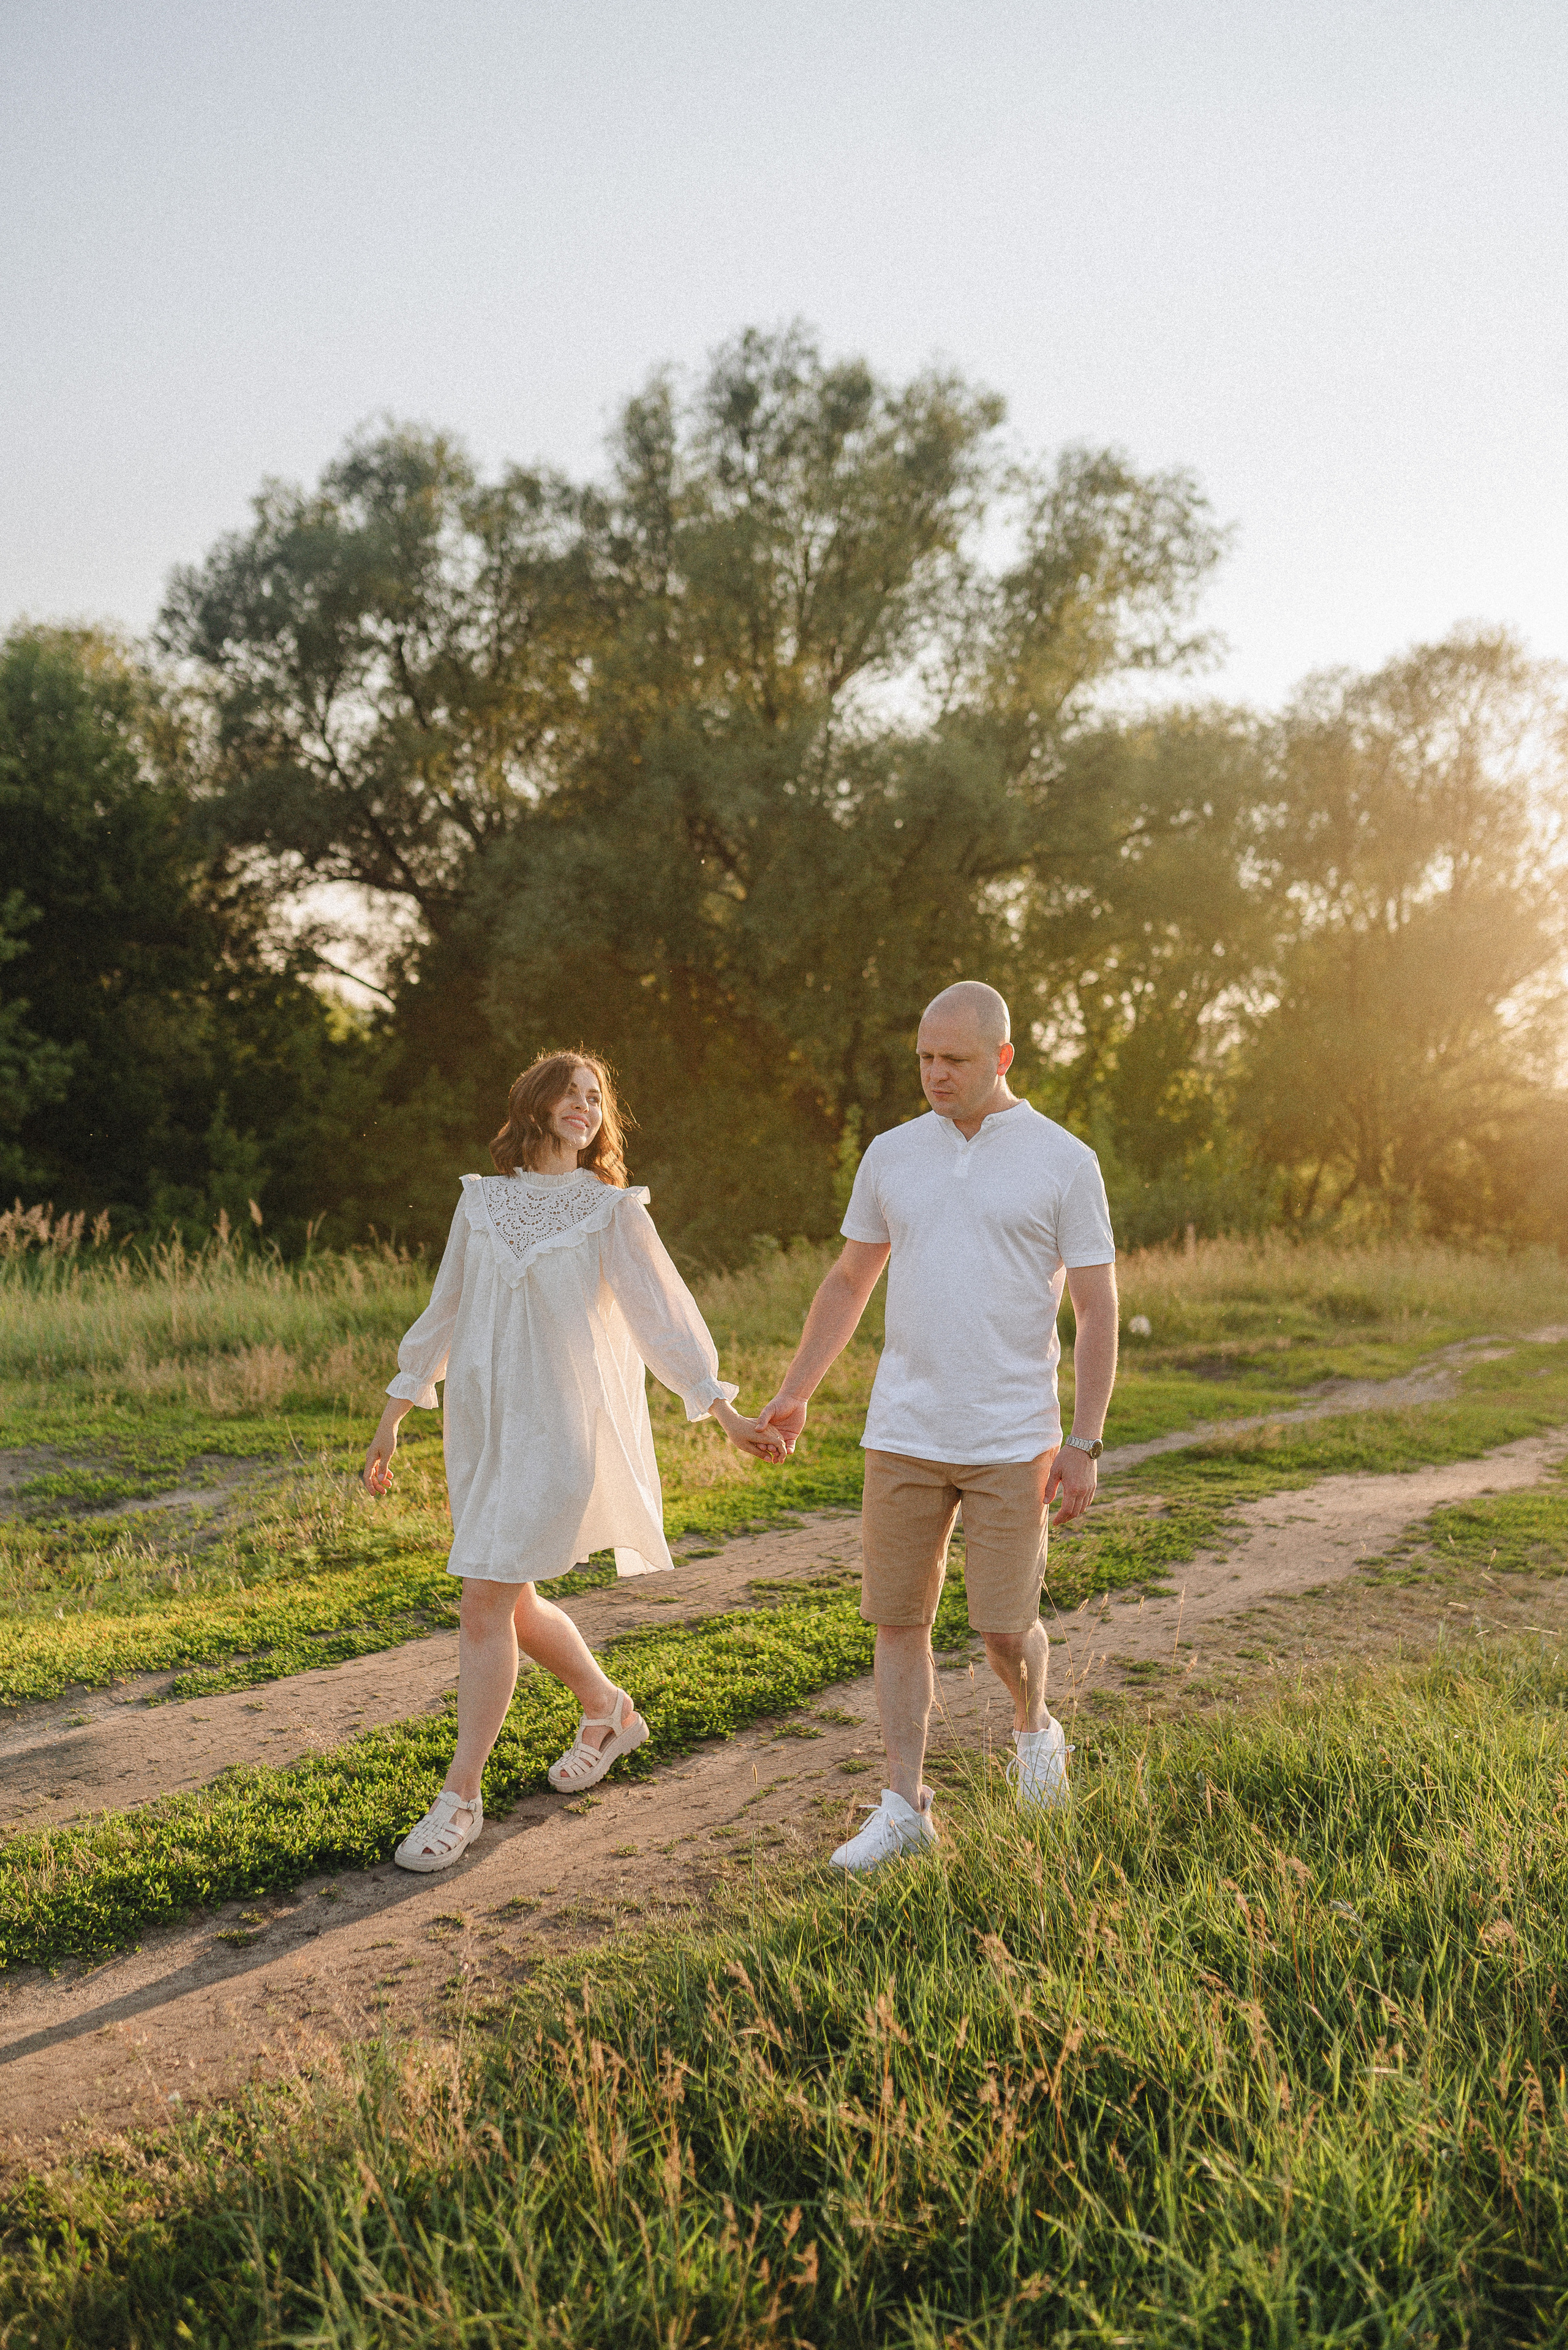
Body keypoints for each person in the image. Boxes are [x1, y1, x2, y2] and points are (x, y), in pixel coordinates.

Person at [363, 1049, 781, 1872]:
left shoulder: (611, 1211)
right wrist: (394, 1415)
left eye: (599, 1098)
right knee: (509, 1600)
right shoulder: (481, 1203)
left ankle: (461, 1797)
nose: (587, 1107)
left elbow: (663, 1316)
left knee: (484, 1599)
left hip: (561, 1434)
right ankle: (608, 1709)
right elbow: (445, 1310)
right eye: (573, 1093)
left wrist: (723, 1408)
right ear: (537, 1102)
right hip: (486, 1430)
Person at [755, 981, 1118, 1872]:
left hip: (1013, 1434)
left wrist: (1085, 1439)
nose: (934, 1073)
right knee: (897, 1619)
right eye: (924, 1056)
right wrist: (798, 1388)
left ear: (1001, 1059)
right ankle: (906, 1802)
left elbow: (1099, 1307)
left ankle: (1037, 1730)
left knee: (1003, 1629)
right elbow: (848, 1281)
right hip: (904, 1426)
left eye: (953, 1059)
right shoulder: (891, 1154)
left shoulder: (1063, 1160)